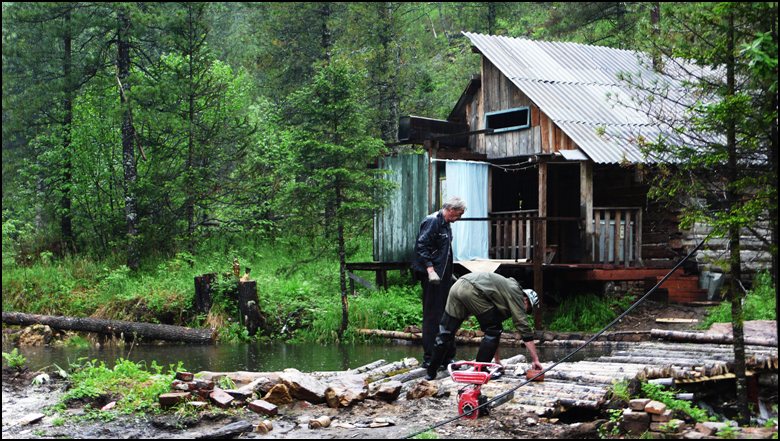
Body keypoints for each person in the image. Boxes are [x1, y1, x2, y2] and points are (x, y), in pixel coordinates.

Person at [425, 271, 543, 381]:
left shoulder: (504, 294)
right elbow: (523, 326)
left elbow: (495, 330)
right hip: (472, 289)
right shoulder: (517, 294)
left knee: (446, 333)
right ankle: (480, 371)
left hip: (457, 286)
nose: (525, 311)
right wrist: (535, 360)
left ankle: (430, 374)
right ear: (526, 300)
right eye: (528, 309)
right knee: (493, 330)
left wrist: (496, 360)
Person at [411, 196, 466, 369]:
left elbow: (445, 253)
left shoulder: (446, 224)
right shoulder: (433, 221)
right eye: (459, 213)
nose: (460, 217)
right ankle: (429, 358)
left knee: (448, 315)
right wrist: (430, 270)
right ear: (451, 209)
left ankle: (446, 357)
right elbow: (422, 246)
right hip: (432, 278)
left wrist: (449, 275)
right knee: (432, 317)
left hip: (444, 277)